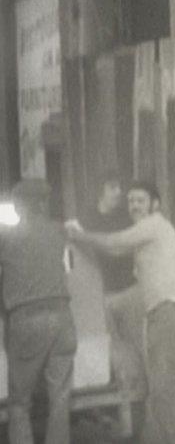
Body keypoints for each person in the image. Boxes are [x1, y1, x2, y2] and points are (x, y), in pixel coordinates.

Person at [66, 181, 175, 444]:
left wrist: (79, 236)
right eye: (131, 201)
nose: (134, 206)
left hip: (168, 312)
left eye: (141, 200)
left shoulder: (153, 225)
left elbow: (114, 244)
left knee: (162, 389)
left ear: (154, 204)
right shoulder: (152, 229)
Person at [0, 179, 76, 444]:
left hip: (27, 318)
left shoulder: (6, 236)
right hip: (63, 318)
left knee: (20, 403)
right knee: (59, 401)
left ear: (19, 206)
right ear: (44, 204)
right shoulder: (57, 232)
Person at [80, 173, 147, 403]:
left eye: (120, 187)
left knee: (137, 346)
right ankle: (119, 393)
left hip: (129, 290)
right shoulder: (87, 219)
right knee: (111, 348)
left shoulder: (125, 217)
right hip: (102, 294)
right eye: (112, 187)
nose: (119, 192)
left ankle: (138, 400)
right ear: (101, 190)